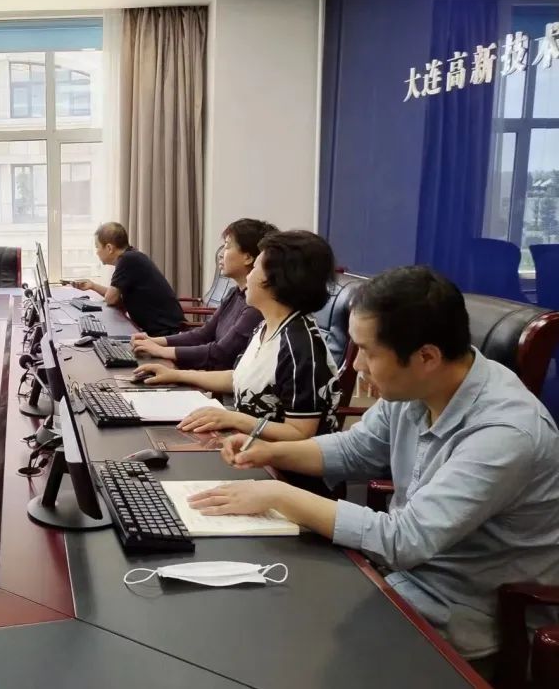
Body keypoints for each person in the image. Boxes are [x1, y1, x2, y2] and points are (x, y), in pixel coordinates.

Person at [188, 267, 559, 670]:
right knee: (253, 614)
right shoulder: (420, 387)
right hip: (397, 576)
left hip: (463, 613)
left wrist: (277, 493)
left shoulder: (506, 433)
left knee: (277, 646)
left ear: (427, 357)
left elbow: (404, 539)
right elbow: (355, 449)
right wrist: (269, 452)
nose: (357, 365)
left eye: (368, 351)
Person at [136, 230, 341, 442]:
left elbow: (300, 434)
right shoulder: (267, 326)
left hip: (276, 460)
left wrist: (234, 419)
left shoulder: (299, 347)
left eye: (256, 268)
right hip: (245, 446)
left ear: (277, 280)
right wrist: (176, 375)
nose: (249, 276)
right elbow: (239, 377)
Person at [131, 218, 275, 369]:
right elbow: (203, 334)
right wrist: (153, 341)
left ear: (249, 257)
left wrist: (161, 351)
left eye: (227, 246)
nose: (221, 254)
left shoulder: (256, 305)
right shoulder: (235, 293)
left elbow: (221, 354)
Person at [69, 222, 184, 337]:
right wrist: (92, 286)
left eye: (97, 247)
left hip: (166, 333)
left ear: (109, 248)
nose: (97, 252)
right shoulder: (132, 256)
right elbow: (115, 297)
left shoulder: (127, 260)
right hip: (161, 329)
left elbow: (111, 299)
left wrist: (97, 289)